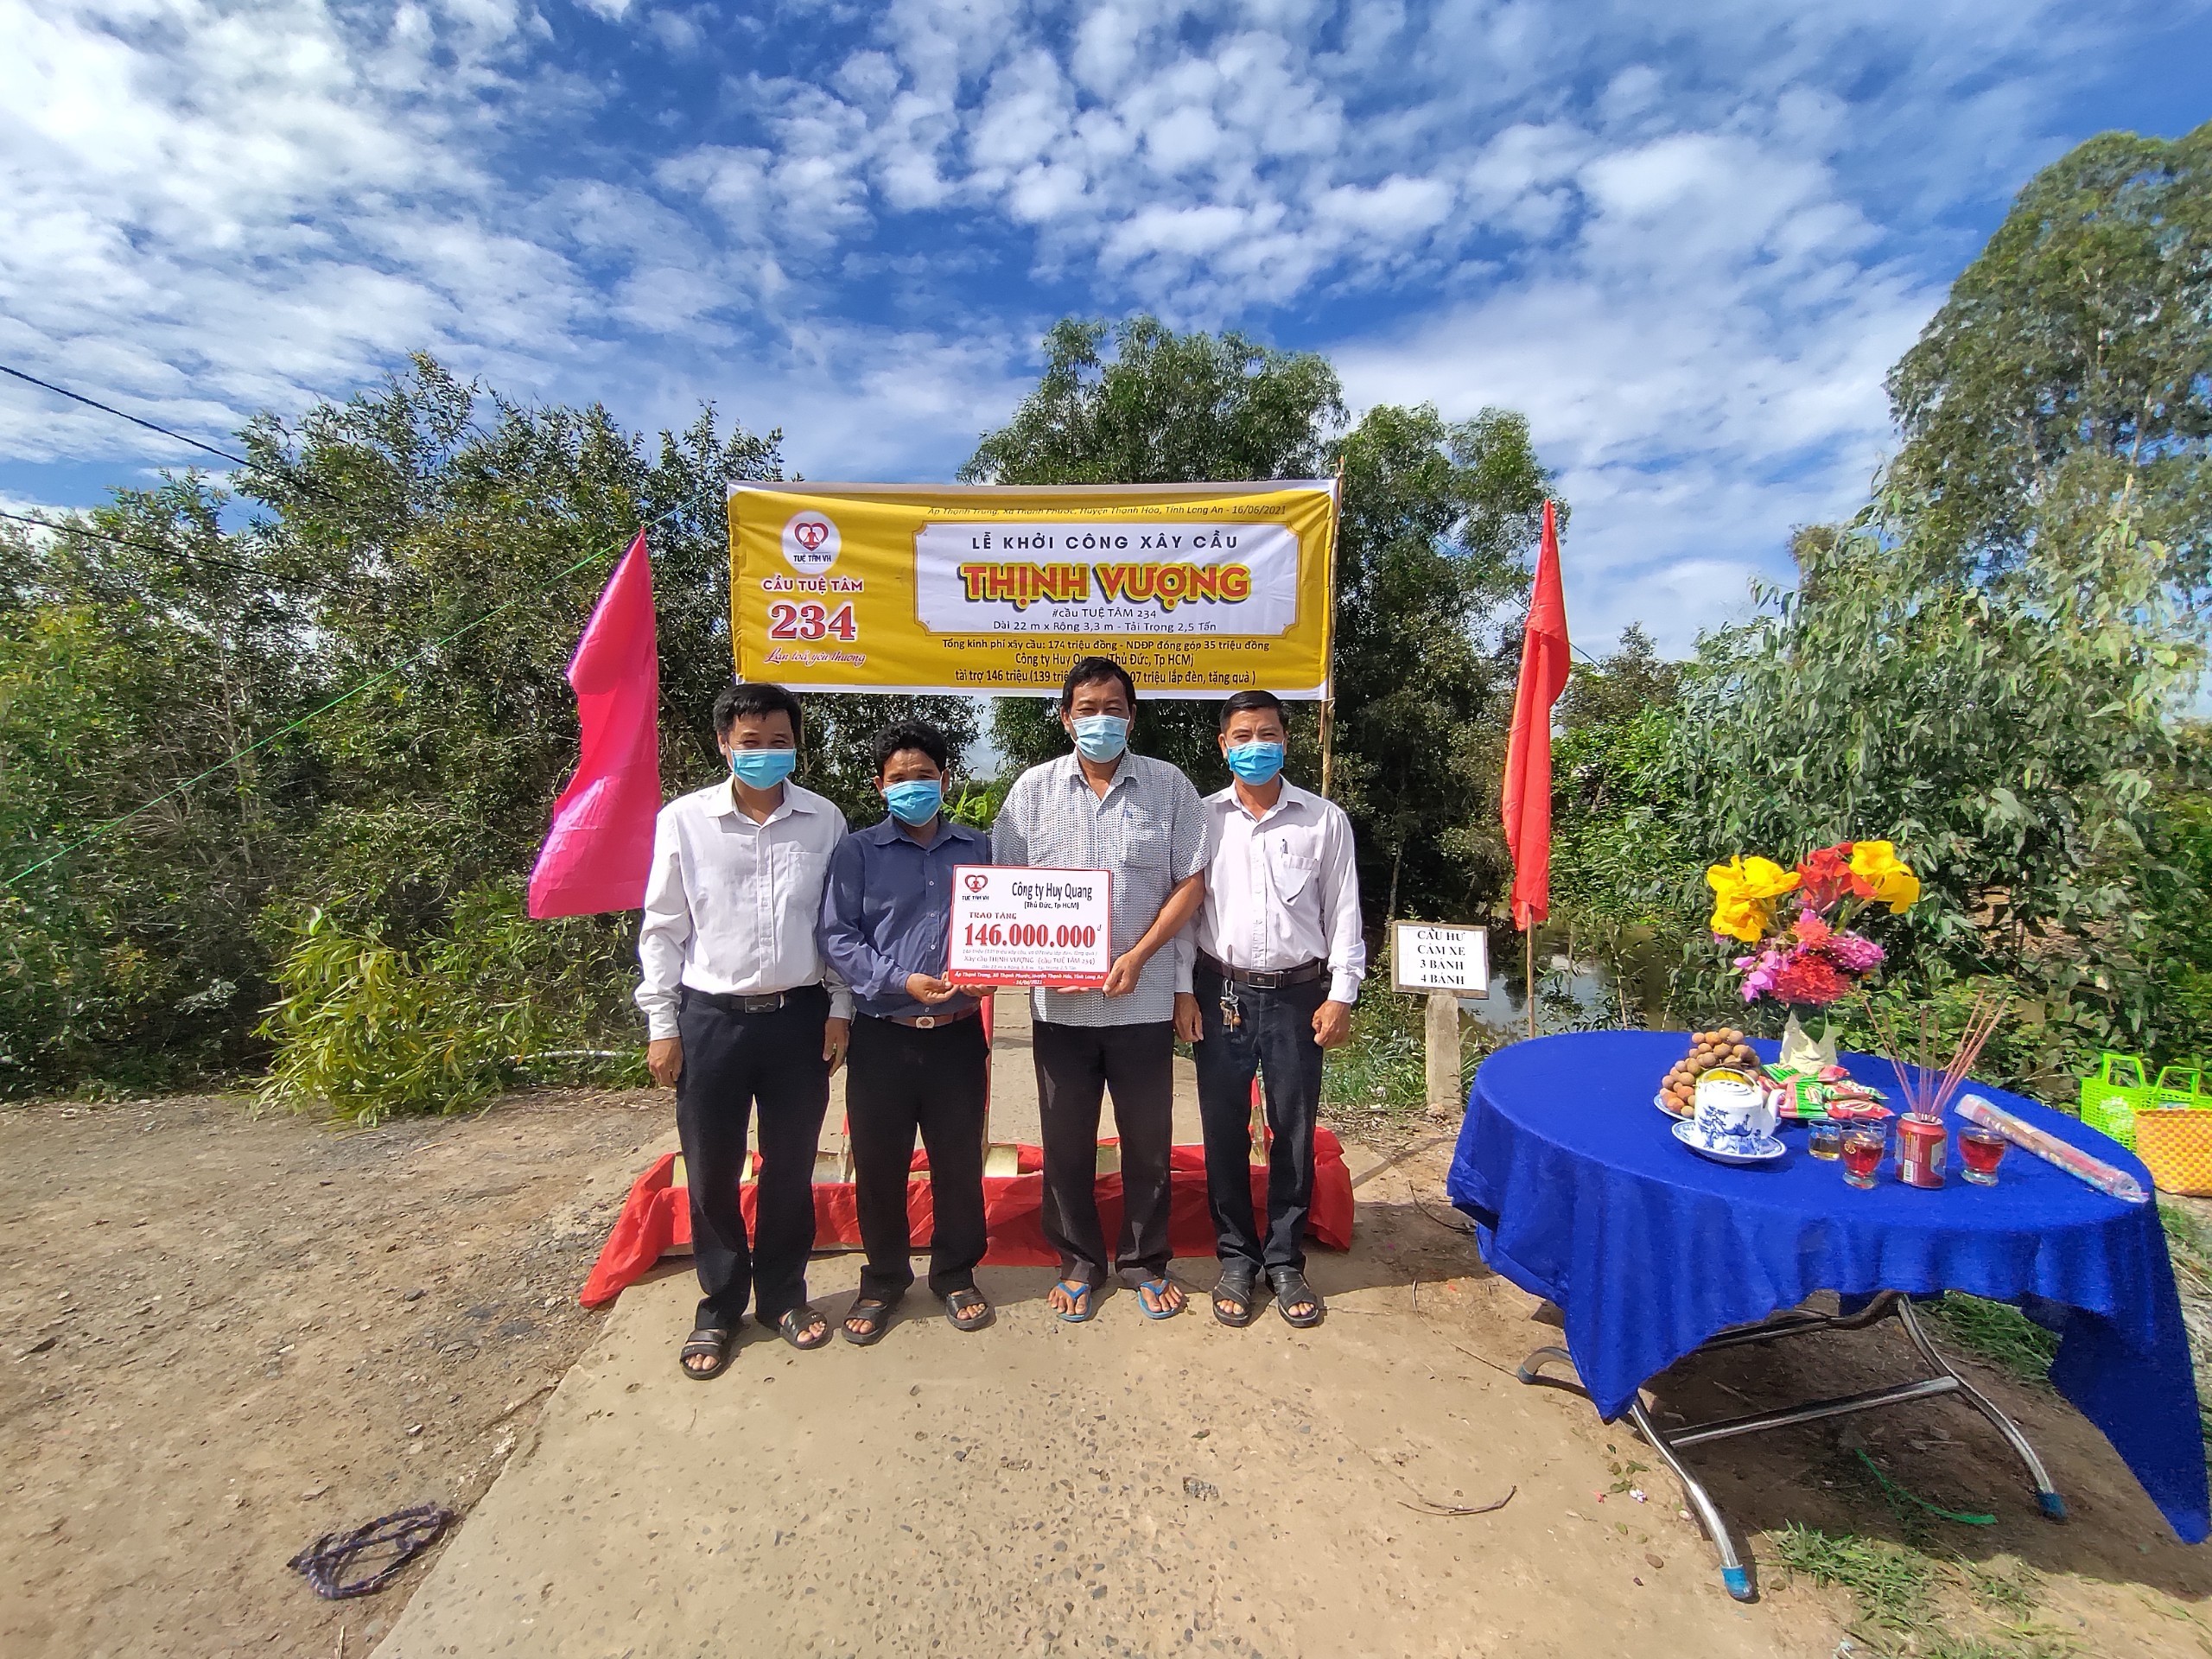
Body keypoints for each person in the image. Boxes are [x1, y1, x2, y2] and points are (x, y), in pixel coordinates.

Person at [637, 681, 851, 1377]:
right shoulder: (685, 821)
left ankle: (783, 1295)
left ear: (797, 745)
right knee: (711, 1169)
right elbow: (664, 928)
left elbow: (838, 926)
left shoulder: (824, 821)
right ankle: (720, 1305)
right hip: (710, 1022)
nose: (765, 752)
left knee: (790, 1165)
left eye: (779, 741)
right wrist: (662, 1022)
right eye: (750, 741)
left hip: (798, 1020)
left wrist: (841, 1009)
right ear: (724, 744)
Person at [992, 656, 1209, 1322]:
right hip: (1059, 1007)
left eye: (1113, 708)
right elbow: (1005, 889)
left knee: (1148, 1143)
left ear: (1132, 716)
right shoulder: (1031, 792)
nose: (1100, 720)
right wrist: (1036, 961)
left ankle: (1145, 1261)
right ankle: (1079, 1260)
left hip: (1142, 1002)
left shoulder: (1170, 787)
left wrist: (1141, 957)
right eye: (1087, 709)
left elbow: (1191, 883)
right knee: (1065, 1144)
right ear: (1065, 718)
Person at [1175, 689, 1363, 1329]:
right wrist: (1182, 991)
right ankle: (1235, 1256)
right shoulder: (1201, 820)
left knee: (1294, 1128)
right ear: (1223, 745)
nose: (1256, 746)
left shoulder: (1322, 820)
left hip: (1299, 995)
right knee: (1223, 1129)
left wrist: (1342, 993)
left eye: (1268, 734)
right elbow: (1186, 915)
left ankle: (1285, 1259)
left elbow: (1344, 911)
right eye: (1243, 736)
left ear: (1286, 740)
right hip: (1220, 992)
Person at [817, 719, 996, 1344]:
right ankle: (884, 1279)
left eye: (925, 776)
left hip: (957, 1035)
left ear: (945, 781)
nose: (913, 786)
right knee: (880, 1163)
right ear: (880, 785)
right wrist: (901, 980)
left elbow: (1008, 921)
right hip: (883, 1035)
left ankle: (955, 1273)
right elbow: (837, 936)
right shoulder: (857, 851)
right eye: (899, 778)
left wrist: (995, 972)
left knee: (958, 1160)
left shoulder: (980, 847)